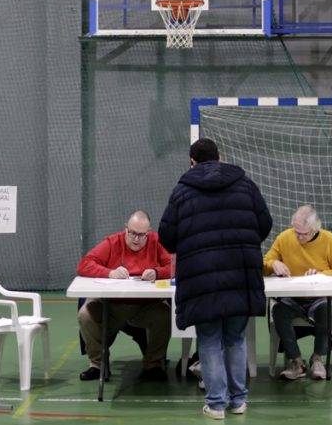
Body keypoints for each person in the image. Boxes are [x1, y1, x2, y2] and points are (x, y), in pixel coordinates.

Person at [159, 138, 272, 420]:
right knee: (235, 337)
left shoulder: (182, 192)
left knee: (209, 339)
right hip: (240, 274)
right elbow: (265, 223)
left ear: (192, 162)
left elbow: (167, 238)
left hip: (201, 279)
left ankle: (216, 404)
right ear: (219, 157)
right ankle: (238, 400)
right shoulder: (245, 185)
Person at [77, 210, 172, 382]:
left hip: (145, 307)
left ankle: (153, 364)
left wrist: (158, 272)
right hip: (111, 307)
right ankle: (98, 365)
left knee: (165, 314)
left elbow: (174, 266)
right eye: (132, 233)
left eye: (141, 235)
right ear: (126, 228)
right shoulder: (113, 242)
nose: (136, 239)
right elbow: (84, 264)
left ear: (149, 232)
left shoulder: (156, 242)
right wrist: (109, 273)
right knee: (85, 314)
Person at [263, 205, 332, 381]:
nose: (299, 237)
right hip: (292, 298)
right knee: (278, 311)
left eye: (304, 234)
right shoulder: (284, 237)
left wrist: (320, 274)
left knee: (326, 311)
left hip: (318, 298)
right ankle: (297, 362)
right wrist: (273, 264)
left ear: (315, 229)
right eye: (296, 232)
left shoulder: (329, 240)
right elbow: (266, 262)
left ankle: (317, 359)